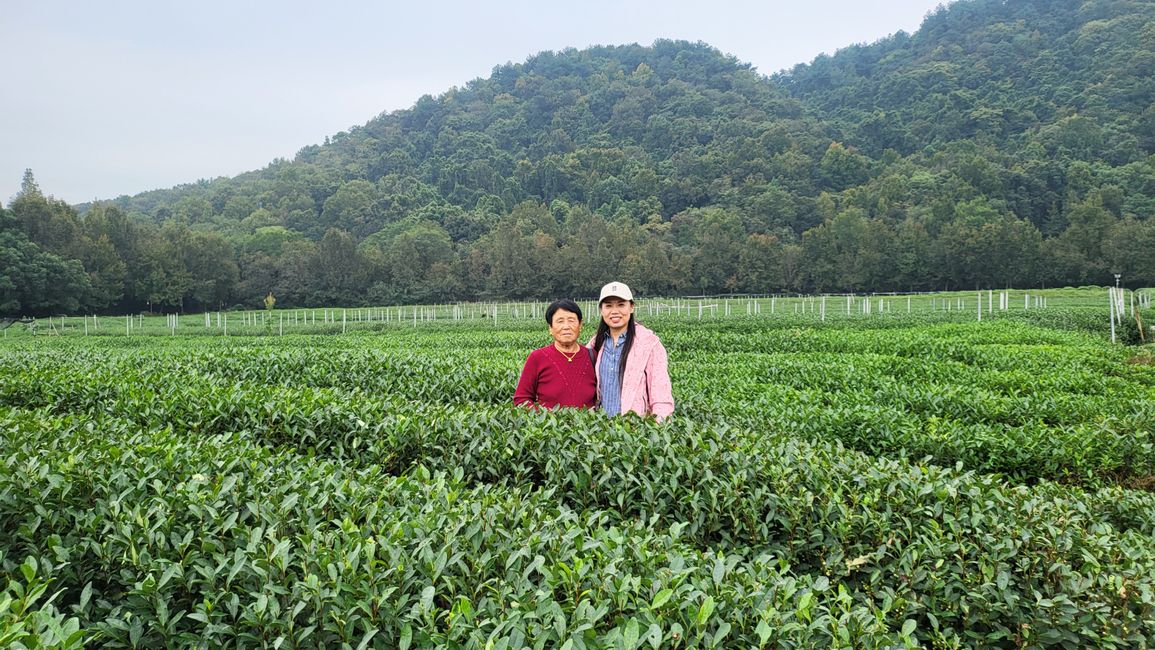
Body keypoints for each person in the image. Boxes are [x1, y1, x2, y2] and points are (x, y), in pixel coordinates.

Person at [590, 281, 674, 421]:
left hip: (634, 431)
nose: (614, 311)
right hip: (601, 431)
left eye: (621, 305)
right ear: (601, 310)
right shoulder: (595, 344)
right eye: (608, 306)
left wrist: (656, 427)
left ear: (632, 307)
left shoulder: (649, 343)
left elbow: (661, 395)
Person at [513, 298, 598, 409]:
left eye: (571, 320)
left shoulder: (592, 356)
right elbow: (521, 399)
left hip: (588, 425)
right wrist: (545, 418)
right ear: (551, 328)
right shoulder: (537, 357)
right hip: (550, 426)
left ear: (580, 325)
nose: (566, 326)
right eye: (560, 321)